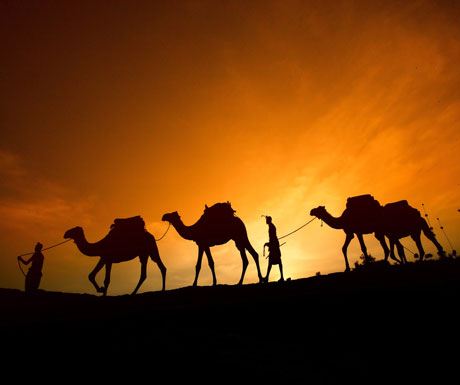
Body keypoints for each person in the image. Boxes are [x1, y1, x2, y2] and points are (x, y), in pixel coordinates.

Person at [263, 216, 284, 282]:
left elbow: (272, 237)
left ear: (269, 220)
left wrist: (268, 244)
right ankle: (280, 277)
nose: (266, 221)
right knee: (275, 261)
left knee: (273, 262)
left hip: (274, 245)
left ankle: (267, 278)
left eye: (266, 220)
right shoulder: (271, 226)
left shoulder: (271, 227)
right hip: (274, 244)